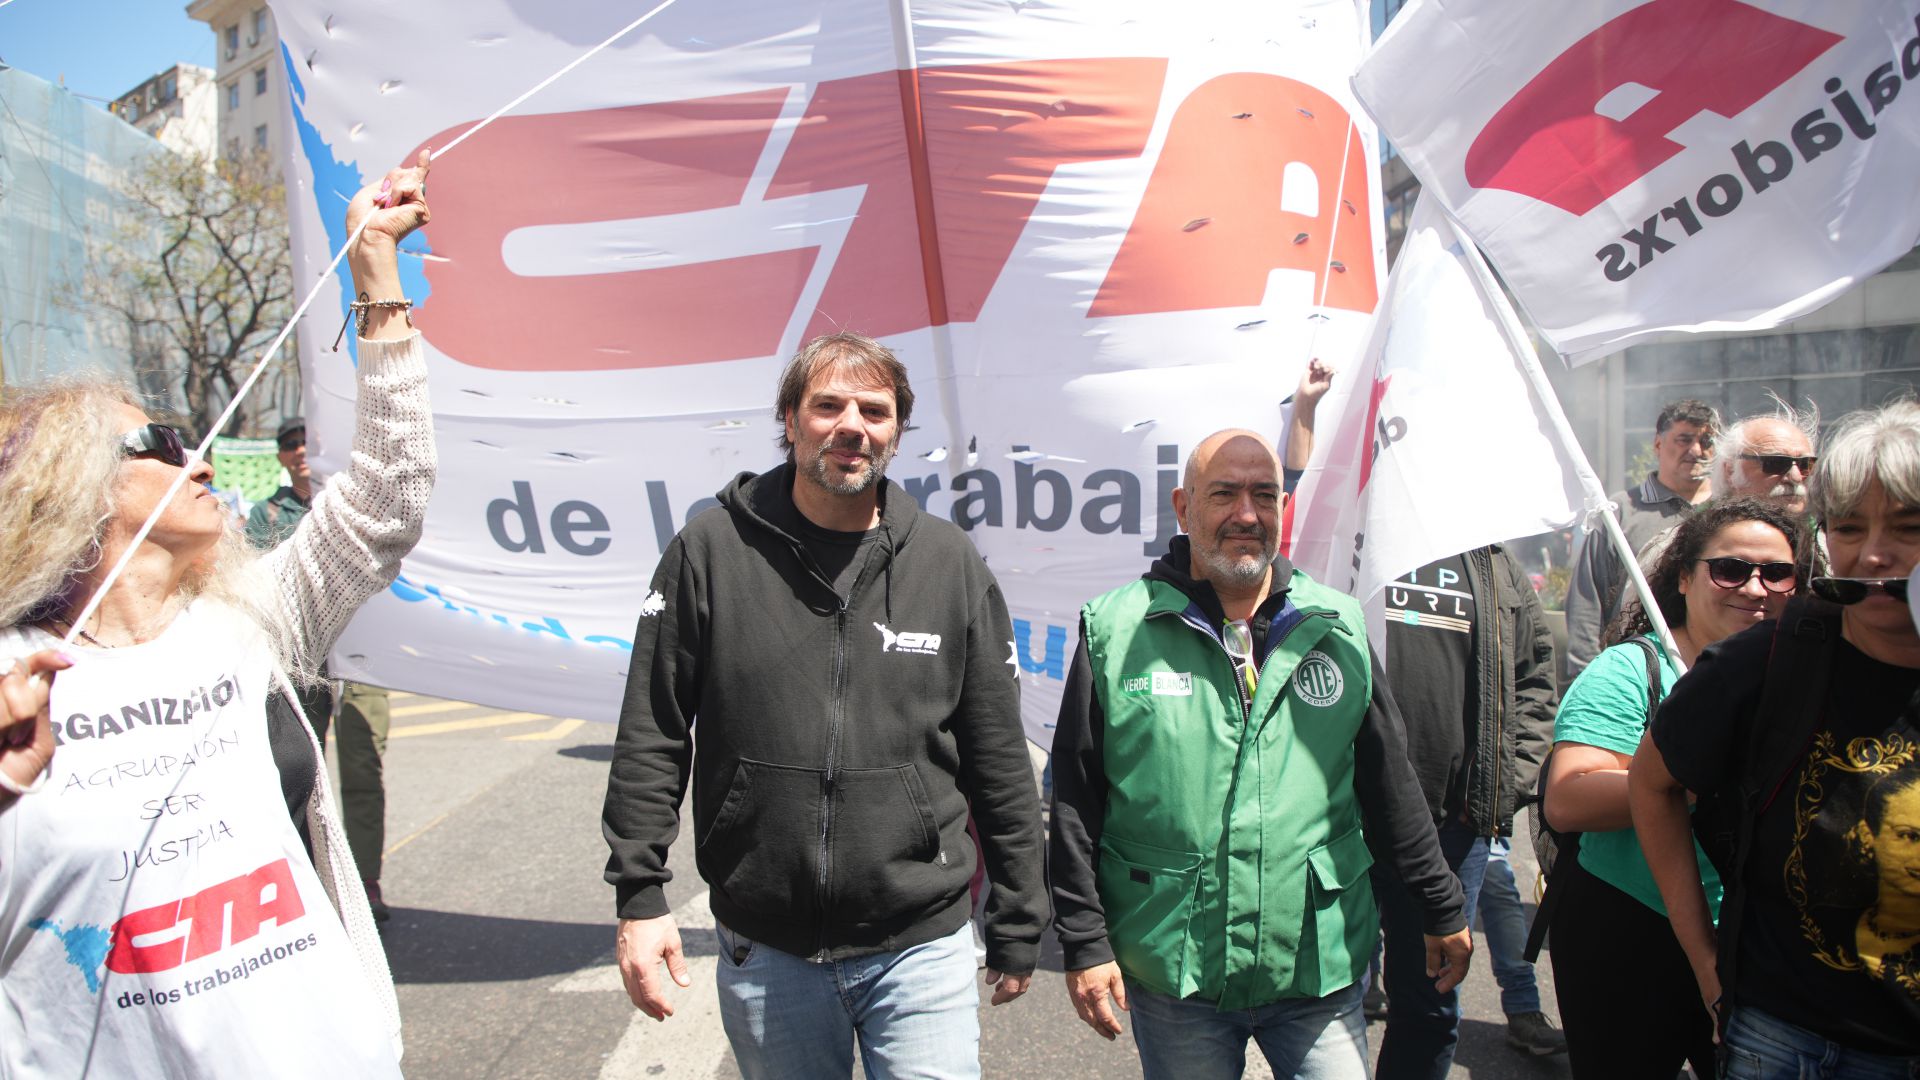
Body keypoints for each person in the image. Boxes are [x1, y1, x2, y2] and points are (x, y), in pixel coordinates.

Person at [0, 152, 435, 1076]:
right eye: (159, 440)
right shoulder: (11, 681)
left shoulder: (247, 618)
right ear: (68, 487)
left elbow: (389, 497)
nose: (196, 454)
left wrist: (376, 271)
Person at [602, 331, 1045, 1080]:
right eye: (828, 405)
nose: (852, 426)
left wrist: (1020, 909)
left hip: (921, 943)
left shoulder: (947, 562)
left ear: (897, 430)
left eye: (874, 411)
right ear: (789, 418)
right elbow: (654, 731)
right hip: (768, 946)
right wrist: (640, 896)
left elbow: (997, 753)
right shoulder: (708, 551)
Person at [1049, 428, 1470, 1080]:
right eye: (1225, 494)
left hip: (1313, 964)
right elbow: (1076, 800)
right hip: (1174, 966)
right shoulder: (1116, 630)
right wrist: (1083, 938)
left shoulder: (1337, 625)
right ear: (1185, 508)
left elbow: (1389, 782)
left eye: (1264, 495)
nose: (1247, 514)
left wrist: (1439, 904)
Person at [1632, 400, 1920, 1076]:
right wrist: (1706, 962)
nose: (1873, 553)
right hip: (1785, 1042)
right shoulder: (1766, 659)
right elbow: (1651, 783)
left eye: (1907, 528)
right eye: (1848, 528)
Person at [1544, 497, 1802, 1079]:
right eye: (1730, 569)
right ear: (1685, 577)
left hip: (1754, 936)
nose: (1755, 588)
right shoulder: (1632, 670)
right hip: (1629, 929)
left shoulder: (1808, 675)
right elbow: (1568, 798)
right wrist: (1689, 775)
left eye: (1777, 572)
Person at [1371, 545, 1562, 1078]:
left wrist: (1501, 788)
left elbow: (1535, 678)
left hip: (1450, 831)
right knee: (1319, 1003)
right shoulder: (1355, 527)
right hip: (1336, 823)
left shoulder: (1489, 560)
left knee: (1430, 1006)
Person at [246, 417, 396, 924]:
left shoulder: (345, 500)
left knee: (362, 766)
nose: (299, 450)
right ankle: (309, 884)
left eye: (306, 440)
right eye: (289, 445)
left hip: (360, 658)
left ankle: (366, 880)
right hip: (301, 662)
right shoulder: (266, 514)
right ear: (282, 457)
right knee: (298, 771)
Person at [1562, 399, 1718, 680]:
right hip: (1638, 674)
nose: (1696, 450)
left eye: (1706, 440)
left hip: (1717, 669)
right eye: (1684, 439)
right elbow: (1587, 599)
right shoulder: (1620, 512)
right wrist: (1584, 676)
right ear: (1658, 445)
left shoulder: (1728, 511)